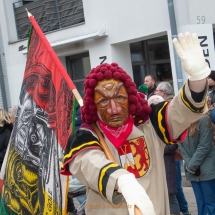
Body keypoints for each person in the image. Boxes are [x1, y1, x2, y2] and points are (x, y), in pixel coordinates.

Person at [61, 32, 210, 215]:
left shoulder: (151, 122)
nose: (114, 109)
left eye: (120, 98)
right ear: (94, 104)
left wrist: (198, 79)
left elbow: (182, 111)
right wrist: (121, 180)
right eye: (104, 102)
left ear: (130, 97)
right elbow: (89, 163)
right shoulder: (85, 136)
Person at [179, 115, 215, 215]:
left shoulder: (204, 119)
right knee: (200, 202)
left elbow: (204, 146)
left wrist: (191, 164)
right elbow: (180, 144)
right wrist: (190, 164)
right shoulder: (181, 122)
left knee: (210, 202)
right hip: (192, 170)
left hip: (206, 167)